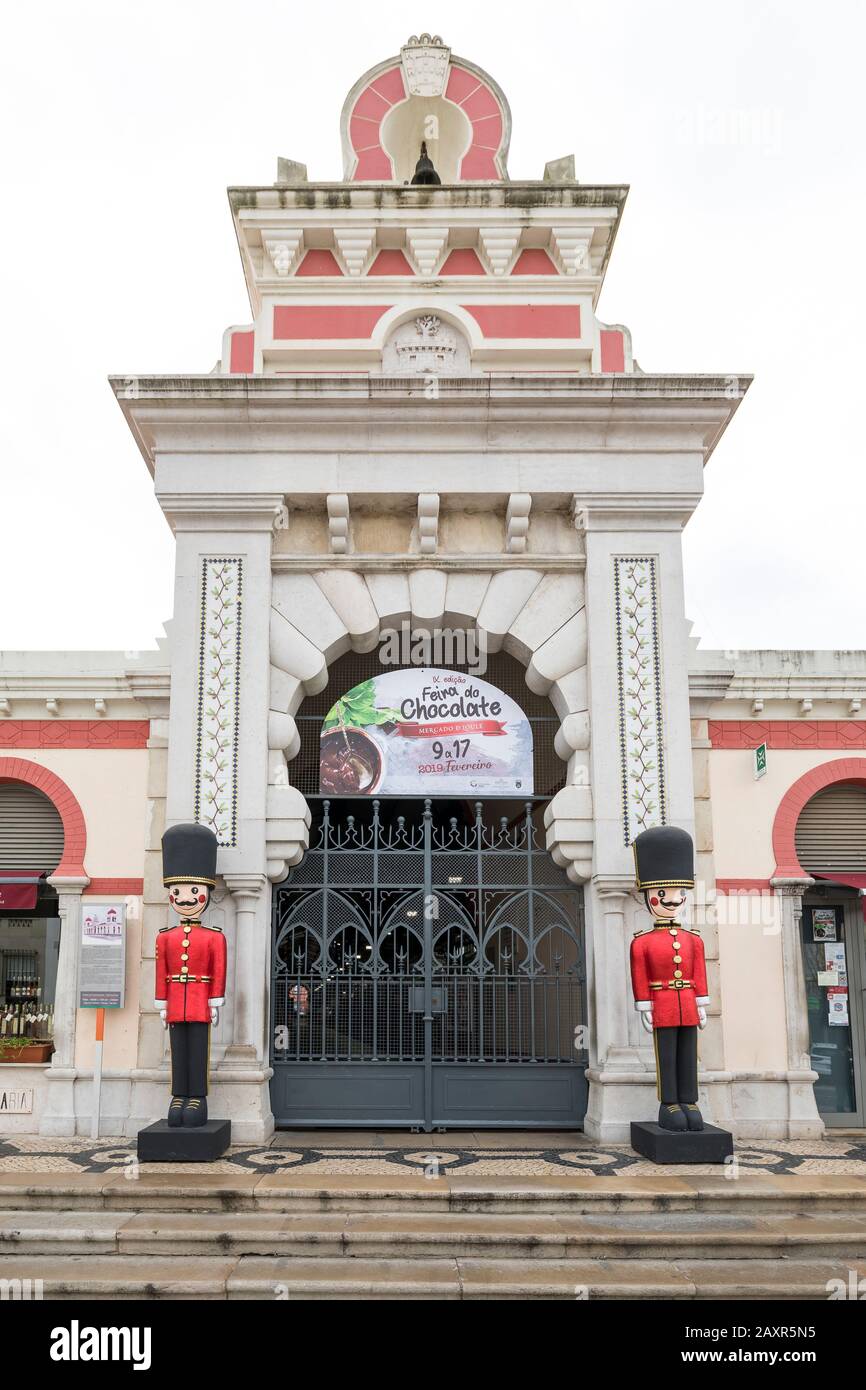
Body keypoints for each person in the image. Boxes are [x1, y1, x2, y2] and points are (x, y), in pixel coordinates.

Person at [630, 825, 709, 1132]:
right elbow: (640, 975)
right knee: (667, 1053)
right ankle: (670, 1102)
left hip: (687, 1001)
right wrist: (645, 1006)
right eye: (663, 894)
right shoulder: (642, 941)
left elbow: (699, 972)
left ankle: (690, 1100)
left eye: (678, 893)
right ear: (650, 896)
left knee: (689, 1051)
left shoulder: (693, 939)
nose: (672, 900)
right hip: (661, 1001)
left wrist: (701, 1002)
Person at [155, 823, 225, 1127]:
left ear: (206, 893)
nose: (184, 898)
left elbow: (218, 970)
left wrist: (215, 1001)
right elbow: (161, 971)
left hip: (199, 1000)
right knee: (177, 1051)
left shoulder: (214, 937)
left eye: (193, 891)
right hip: (175, 1001)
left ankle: (196, 1096)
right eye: (178, 892)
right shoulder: (165, 937)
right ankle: (178, 1095)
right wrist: (161, 1003)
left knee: (198, 1051)